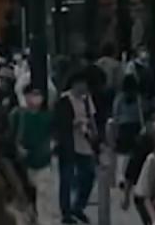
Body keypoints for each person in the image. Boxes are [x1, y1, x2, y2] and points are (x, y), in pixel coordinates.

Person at [52, 71, 104, 225]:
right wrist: (74, 124)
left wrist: (95, 135)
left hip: (84, 142)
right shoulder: (64, 100)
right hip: (68, 143)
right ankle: (66, 212)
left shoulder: (87, 99)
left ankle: (78, 206)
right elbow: (60, 122)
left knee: (88, 175)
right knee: (66, 178)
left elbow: (91, 117)